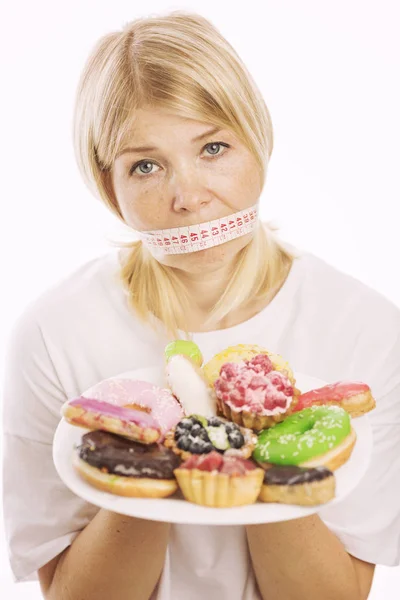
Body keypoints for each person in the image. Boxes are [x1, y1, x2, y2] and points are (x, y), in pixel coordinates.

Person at [2, 10, 399, 600]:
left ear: (259, 142)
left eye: (213, 147)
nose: (188, 197)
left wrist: (259, 431)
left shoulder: (366, 329)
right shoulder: (54, 333)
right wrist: (157, 446)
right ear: (108, 186)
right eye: (145, 165)